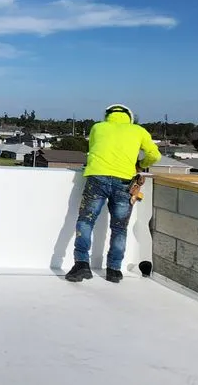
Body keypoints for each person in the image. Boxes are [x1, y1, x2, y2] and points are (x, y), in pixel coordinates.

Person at [65, 103, 161, 283]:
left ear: (107, 116)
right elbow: (155, 156)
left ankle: (81, 264)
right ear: (130, 118)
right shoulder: (138, 131)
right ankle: (114, 270)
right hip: (125, 181)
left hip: (97, 178)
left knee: (86, 221)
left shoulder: (97, 127)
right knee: (119, 227)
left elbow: (93, 149)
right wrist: (139, 165)